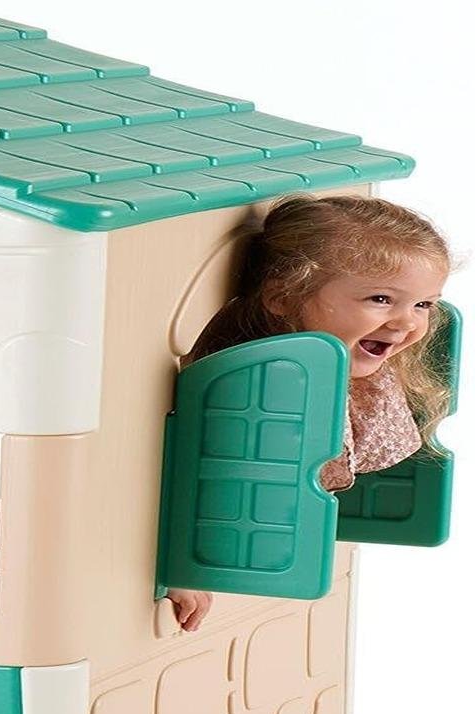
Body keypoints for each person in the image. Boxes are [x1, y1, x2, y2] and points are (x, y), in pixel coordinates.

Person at [168, 194, 452, 632]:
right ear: (285, 297)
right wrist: (183, 569)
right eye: (380, 298)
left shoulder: (351, 374)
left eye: (424, 305)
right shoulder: (253, 385)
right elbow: (187, 482)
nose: (407, 323)